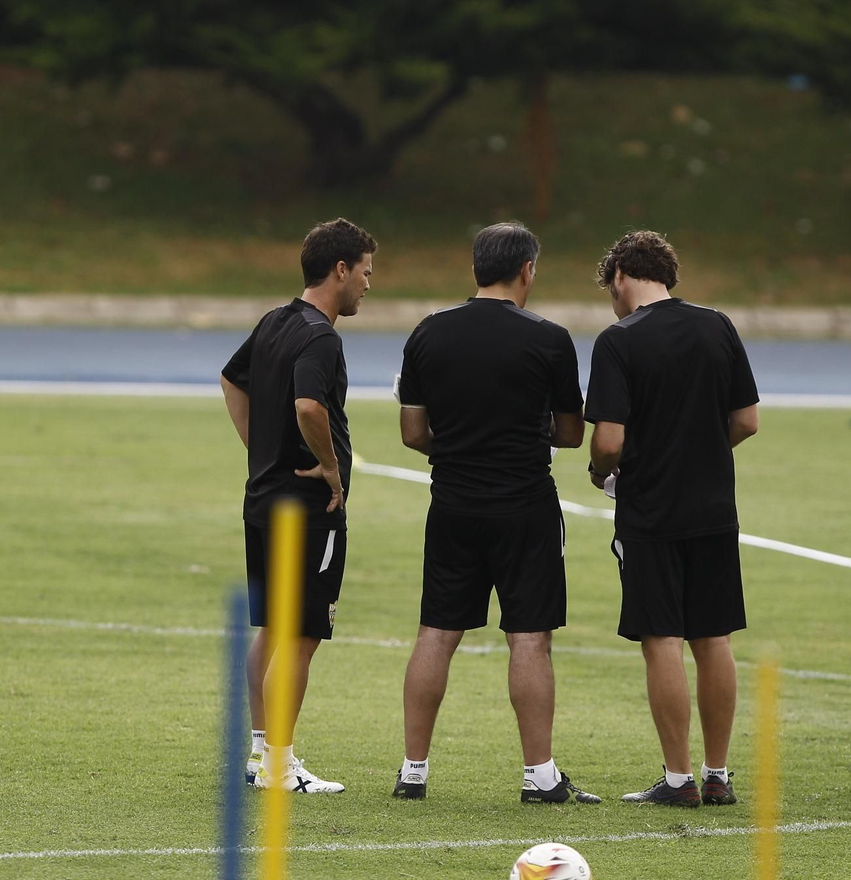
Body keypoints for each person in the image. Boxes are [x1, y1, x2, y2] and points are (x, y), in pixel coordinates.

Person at [391, 222, 602, 805]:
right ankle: (539, 775)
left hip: (453, 502)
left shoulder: (428, 333)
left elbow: (412, 432)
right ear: (527, 269)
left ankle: (413, 770)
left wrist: (460, 445)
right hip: (524, 505)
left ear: (477, 268)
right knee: (529, 637)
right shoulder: (550, 338)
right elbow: (569, 433)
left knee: (436, 631)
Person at [583, 230, 759, 808]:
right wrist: (702, 452)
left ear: (620, 277)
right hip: (713, 508)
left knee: (661, 638)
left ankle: (679, 780)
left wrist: (600, 470)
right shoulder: (718, 325)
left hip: (650, 511)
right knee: (713, 636)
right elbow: (747, 420)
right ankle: (718, 773)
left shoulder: (618, 341)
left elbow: (608, 439)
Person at [219, 217, 375, 794]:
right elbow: (310, 407)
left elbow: (231, 381)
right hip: (308, 508)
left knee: (272, 629)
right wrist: (331, 470)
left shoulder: (274, 321)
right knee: (302, 634)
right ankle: (282, 764)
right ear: (340, 269)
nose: (367, 283)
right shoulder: (320, 336)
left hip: (261, 500)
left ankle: (262, 755)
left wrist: (260, 449)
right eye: (364, 271)